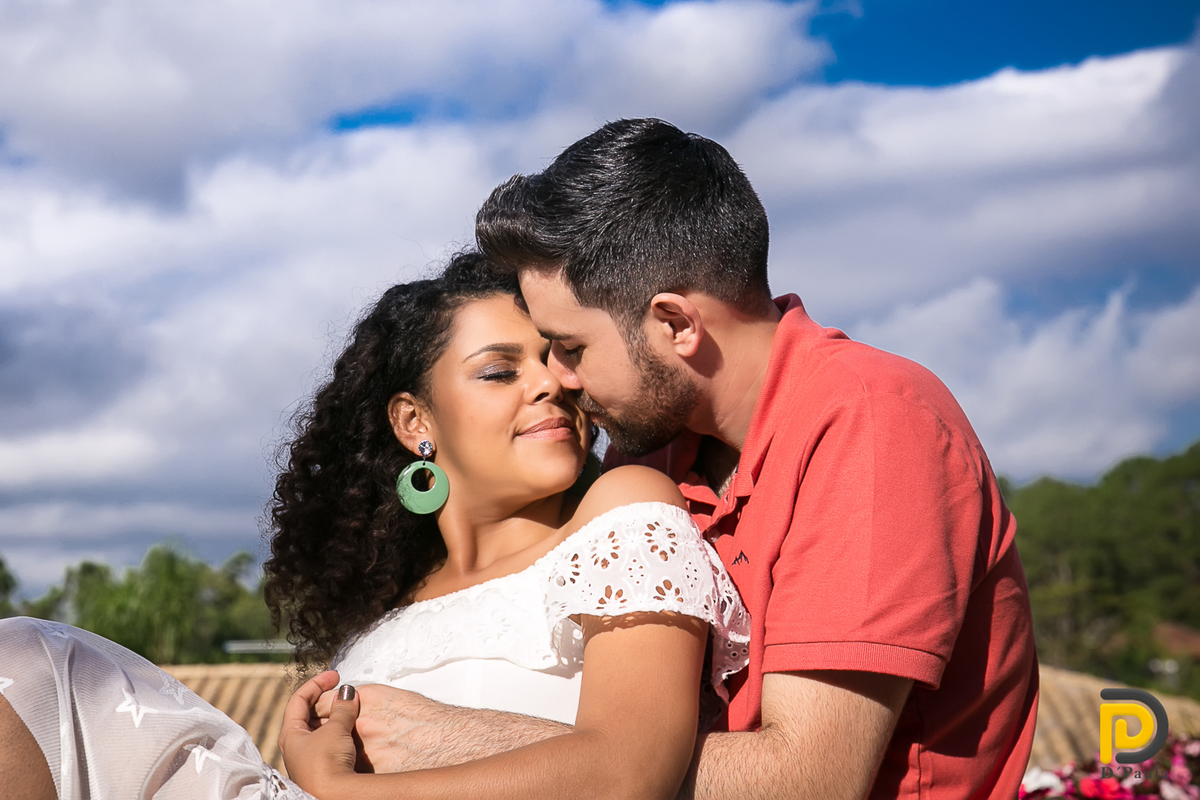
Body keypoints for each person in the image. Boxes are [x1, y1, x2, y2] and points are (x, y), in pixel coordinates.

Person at [321, 119, 1040, 800]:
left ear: (675, 324)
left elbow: (808, 782)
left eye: (571, 349)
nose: (561, 381)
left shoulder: (873, 423)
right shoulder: (662, 448)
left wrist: (458, 737)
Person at [0, 251, 749, 800]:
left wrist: (347, 791)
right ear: (414, 421)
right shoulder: (386, 615)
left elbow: (630, 774)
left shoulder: (623, 507)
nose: (550, 383)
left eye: (559, 360)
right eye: (500, 370)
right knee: (25, 666)